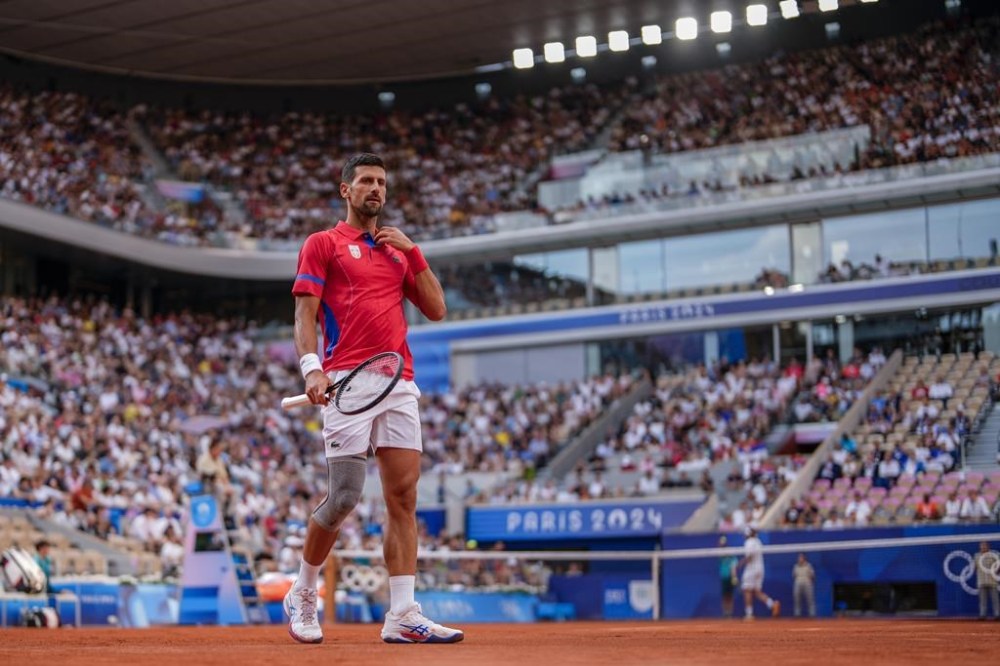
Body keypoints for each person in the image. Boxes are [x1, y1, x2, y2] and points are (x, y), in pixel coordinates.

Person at [285, 153, 461, 645]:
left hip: (398, 382)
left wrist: (415, 252)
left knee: (404, 499)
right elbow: (304, 315)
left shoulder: (398, 251)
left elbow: (437, 309)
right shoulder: (322, 244)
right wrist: (312, 367)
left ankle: (402, 613)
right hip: (346, 380)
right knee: (344, 496)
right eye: (366, 181)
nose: (376, 189)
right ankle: (302, 589)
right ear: (346, 190)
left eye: (381, 182)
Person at [738, 526, 780, 620]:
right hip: (760, 568)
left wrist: (740, 564)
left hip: (751, 569)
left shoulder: (749, 542)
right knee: (757, 592)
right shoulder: (758, 541)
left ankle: (749, 614)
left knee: (747, 590)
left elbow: (749, 556)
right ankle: (772, 604)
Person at [974, 541, 1000, 620]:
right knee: (982, 600)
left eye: (985, 546)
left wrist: (996, 571)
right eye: (982, 546)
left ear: (988, 547)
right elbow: (974, 568)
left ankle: (997, 615)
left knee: (995, 599)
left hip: (992, 581)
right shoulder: (976, 556)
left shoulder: (994, 555)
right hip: (981, 581)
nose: (983, 547)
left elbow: (998, 566)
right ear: (980, 547)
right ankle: (983, 615)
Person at [719, 536, 739, 618]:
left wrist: (734, 577)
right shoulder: (718, 552)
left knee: (730, 596)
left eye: (723, 543)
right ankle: (725, 612)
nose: (722, 545)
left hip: (730, 577)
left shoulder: (731, 553)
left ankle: (730, 613)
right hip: (723, 577)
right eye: (721, 543)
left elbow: (734, 564)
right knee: (725, 596)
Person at [792, 553, 816, 618]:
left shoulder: (808, 566)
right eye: (799, 558)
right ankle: (797, 614)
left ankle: (812, 614)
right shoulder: (796, 566)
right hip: (798, 583)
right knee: (797, 600)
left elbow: (812, 575)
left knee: (810, 600)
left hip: (807, 583)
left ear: (804, 558)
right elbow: (794, 575)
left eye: (801, 558)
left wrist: (809, 581)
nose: (800, 559)